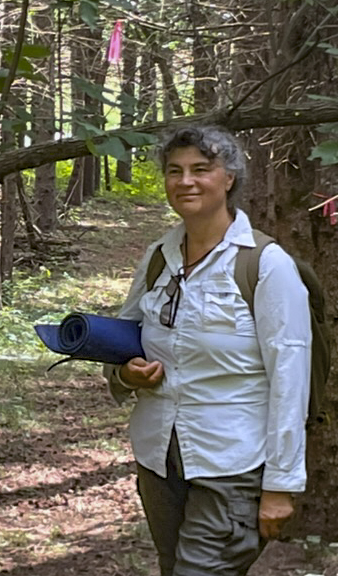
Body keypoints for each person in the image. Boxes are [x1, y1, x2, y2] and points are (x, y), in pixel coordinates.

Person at [104, 125, 312, 576]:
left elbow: (291, 378)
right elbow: (126, 337)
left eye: (202, 169)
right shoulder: (160, 255)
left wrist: (280, 484)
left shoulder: (265, 265)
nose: (186, 181)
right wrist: (126, 374)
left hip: (233, 464)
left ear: (229, 178)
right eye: (175, 171)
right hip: (160, 458)